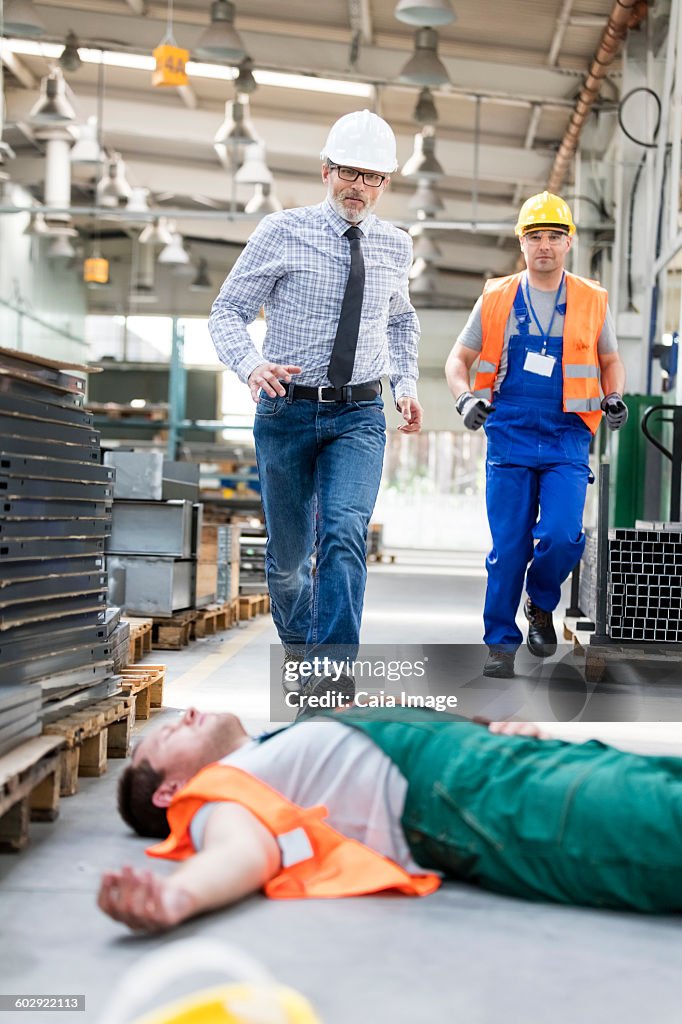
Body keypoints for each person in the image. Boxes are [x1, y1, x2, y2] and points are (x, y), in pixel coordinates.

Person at [98, 705, 682, 932]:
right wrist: (176, 900)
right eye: (167, 735)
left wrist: (491, 728)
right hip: (482, 804)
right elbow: (242, 854)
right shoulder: (214, 797)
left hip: (511, 768)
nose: (186, 714)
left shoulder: (273, 743)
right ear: (168, 793)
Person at [208, 110, 422, 688]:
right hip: (287, 411)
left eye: (374, 177)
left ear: (385, 184)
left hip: (359, 414)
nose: (360, 187)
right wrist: (251, 365)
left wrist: (405, 385)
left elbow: (401, 323)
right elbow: (225, 311)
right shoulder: (281, 232)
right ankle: (303, 653)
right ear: (326, 171)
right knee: (286, 567)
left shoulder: (395, 246)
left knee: (345, 536)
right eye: (350, 173)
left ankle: (331, 676)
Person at [445, 192, 627, 679]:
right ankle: (500, 644)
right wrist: (466, 399)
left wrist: (614, 394)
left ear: (568, 243)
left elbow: (610, 360)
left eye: (553, 237)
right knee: (508, 547)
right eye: (534, 237)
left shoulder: (591, 299)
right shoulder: (498, 296)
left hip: (569, 432)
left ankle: (541, 603)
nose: (544, 245)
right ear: (521, 243)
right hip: (510, 432)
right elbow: (457, 361)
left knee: (564, 536)